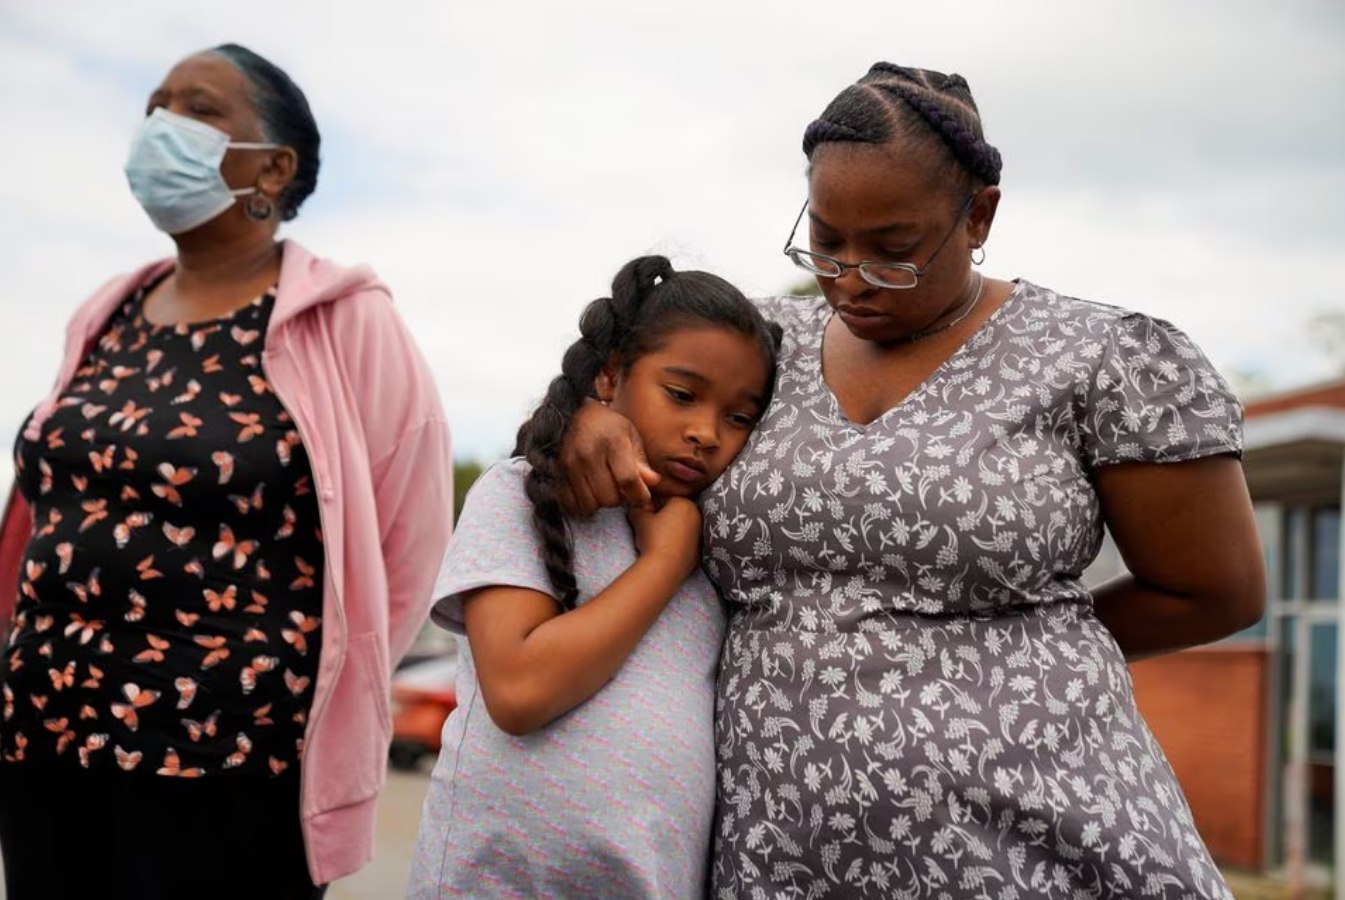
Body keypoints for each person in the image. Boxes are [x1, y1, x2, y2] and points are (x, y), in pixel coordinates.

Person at [562, 63, 1266, 899]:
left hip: (1037, 839)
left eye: (893, 250)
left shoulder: (1098, 358)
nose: (850, 277)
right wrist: (589, 411)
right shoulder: (761, 345)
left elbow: (1211, 591)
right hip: (782, 852)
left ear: (979, 216)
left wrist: (996, 663)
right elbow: (632, 385)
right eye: (825, 240)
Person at [0, 44, 452, 899]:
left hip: (226, 770)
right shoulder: (106, 311)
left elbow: (407, 549)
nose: (161, 126)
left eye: (200, 109)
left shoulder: (348, 320)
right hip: (46, 748)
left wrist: (313, 705)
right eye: (154, 106)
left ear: (273, 168)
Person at [406, 255, 782, 900]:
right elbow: (520, 692)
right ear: (610, 377)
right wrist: (663, 566)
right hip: (498, 882)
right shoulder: (522, 493)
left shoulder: (720, 536)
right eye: (682, 394)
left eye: (740, 417)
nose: (705, 433)